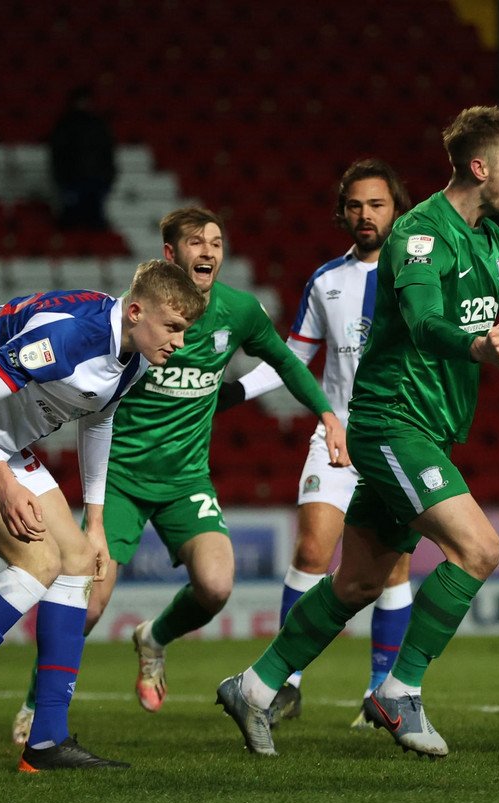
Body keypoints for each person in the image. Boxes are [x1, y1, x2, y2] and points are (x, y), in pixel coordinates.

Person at [215, 105, 499, 758]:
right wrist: (474, 348)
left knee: (358, 582)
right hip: (393, 424)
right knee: (479, 549)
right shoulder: (420, 235)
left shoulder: (489, 241)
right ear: (481, 166)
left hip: (429, 428)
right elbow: (422, 322)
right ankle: (401, 691)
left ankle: (254, 686)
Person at [10, 207, 346, 742]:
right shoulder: (142, 319)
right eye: (196, 242)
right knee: (91, 601)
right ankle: (35, 703)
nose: (209, 250)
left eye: (216, 241)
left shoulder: (239, 311)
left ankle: (153, 638)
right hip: (120, 476)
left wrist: (327, 416)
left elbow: (285, 362)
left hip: (186, 478)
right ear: (171, 254)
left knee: (216, 586)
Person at [0, 261, 205, 777]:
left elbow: (99, 421)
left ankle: (46, 740)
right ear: (135, 311)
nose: (179, 341)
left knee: (81, 561)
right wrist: (4, 483)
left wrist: (97, 520)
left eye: (184, 331)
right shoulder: (70, 335)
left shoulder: (133, 356)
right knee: (37, 560)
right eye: (173, 327)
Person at [219, 159, 413, 728]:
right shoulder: (328, 280)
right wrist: (234, 390)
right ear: (342, 212)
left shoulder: (421, 274)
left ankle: (380, 693)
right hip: (339, 435)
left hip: (400, 439)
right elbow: (293, 359)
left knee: (394, 571)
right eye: (354, 205)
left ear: (395, 208)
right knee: (311, 550)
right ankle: (285, 682)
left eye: (376, 204)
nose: (365, 215)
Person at [49, 85, 116, 231]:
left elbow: (107, 152)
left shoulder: (98, 124)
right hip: (72, 179)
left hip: (96, 179)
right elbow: (57, 154)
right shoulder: (65, 124)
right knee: (70, 222)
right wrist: (61, 178)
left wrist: (108, 176)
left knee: (95, 224)